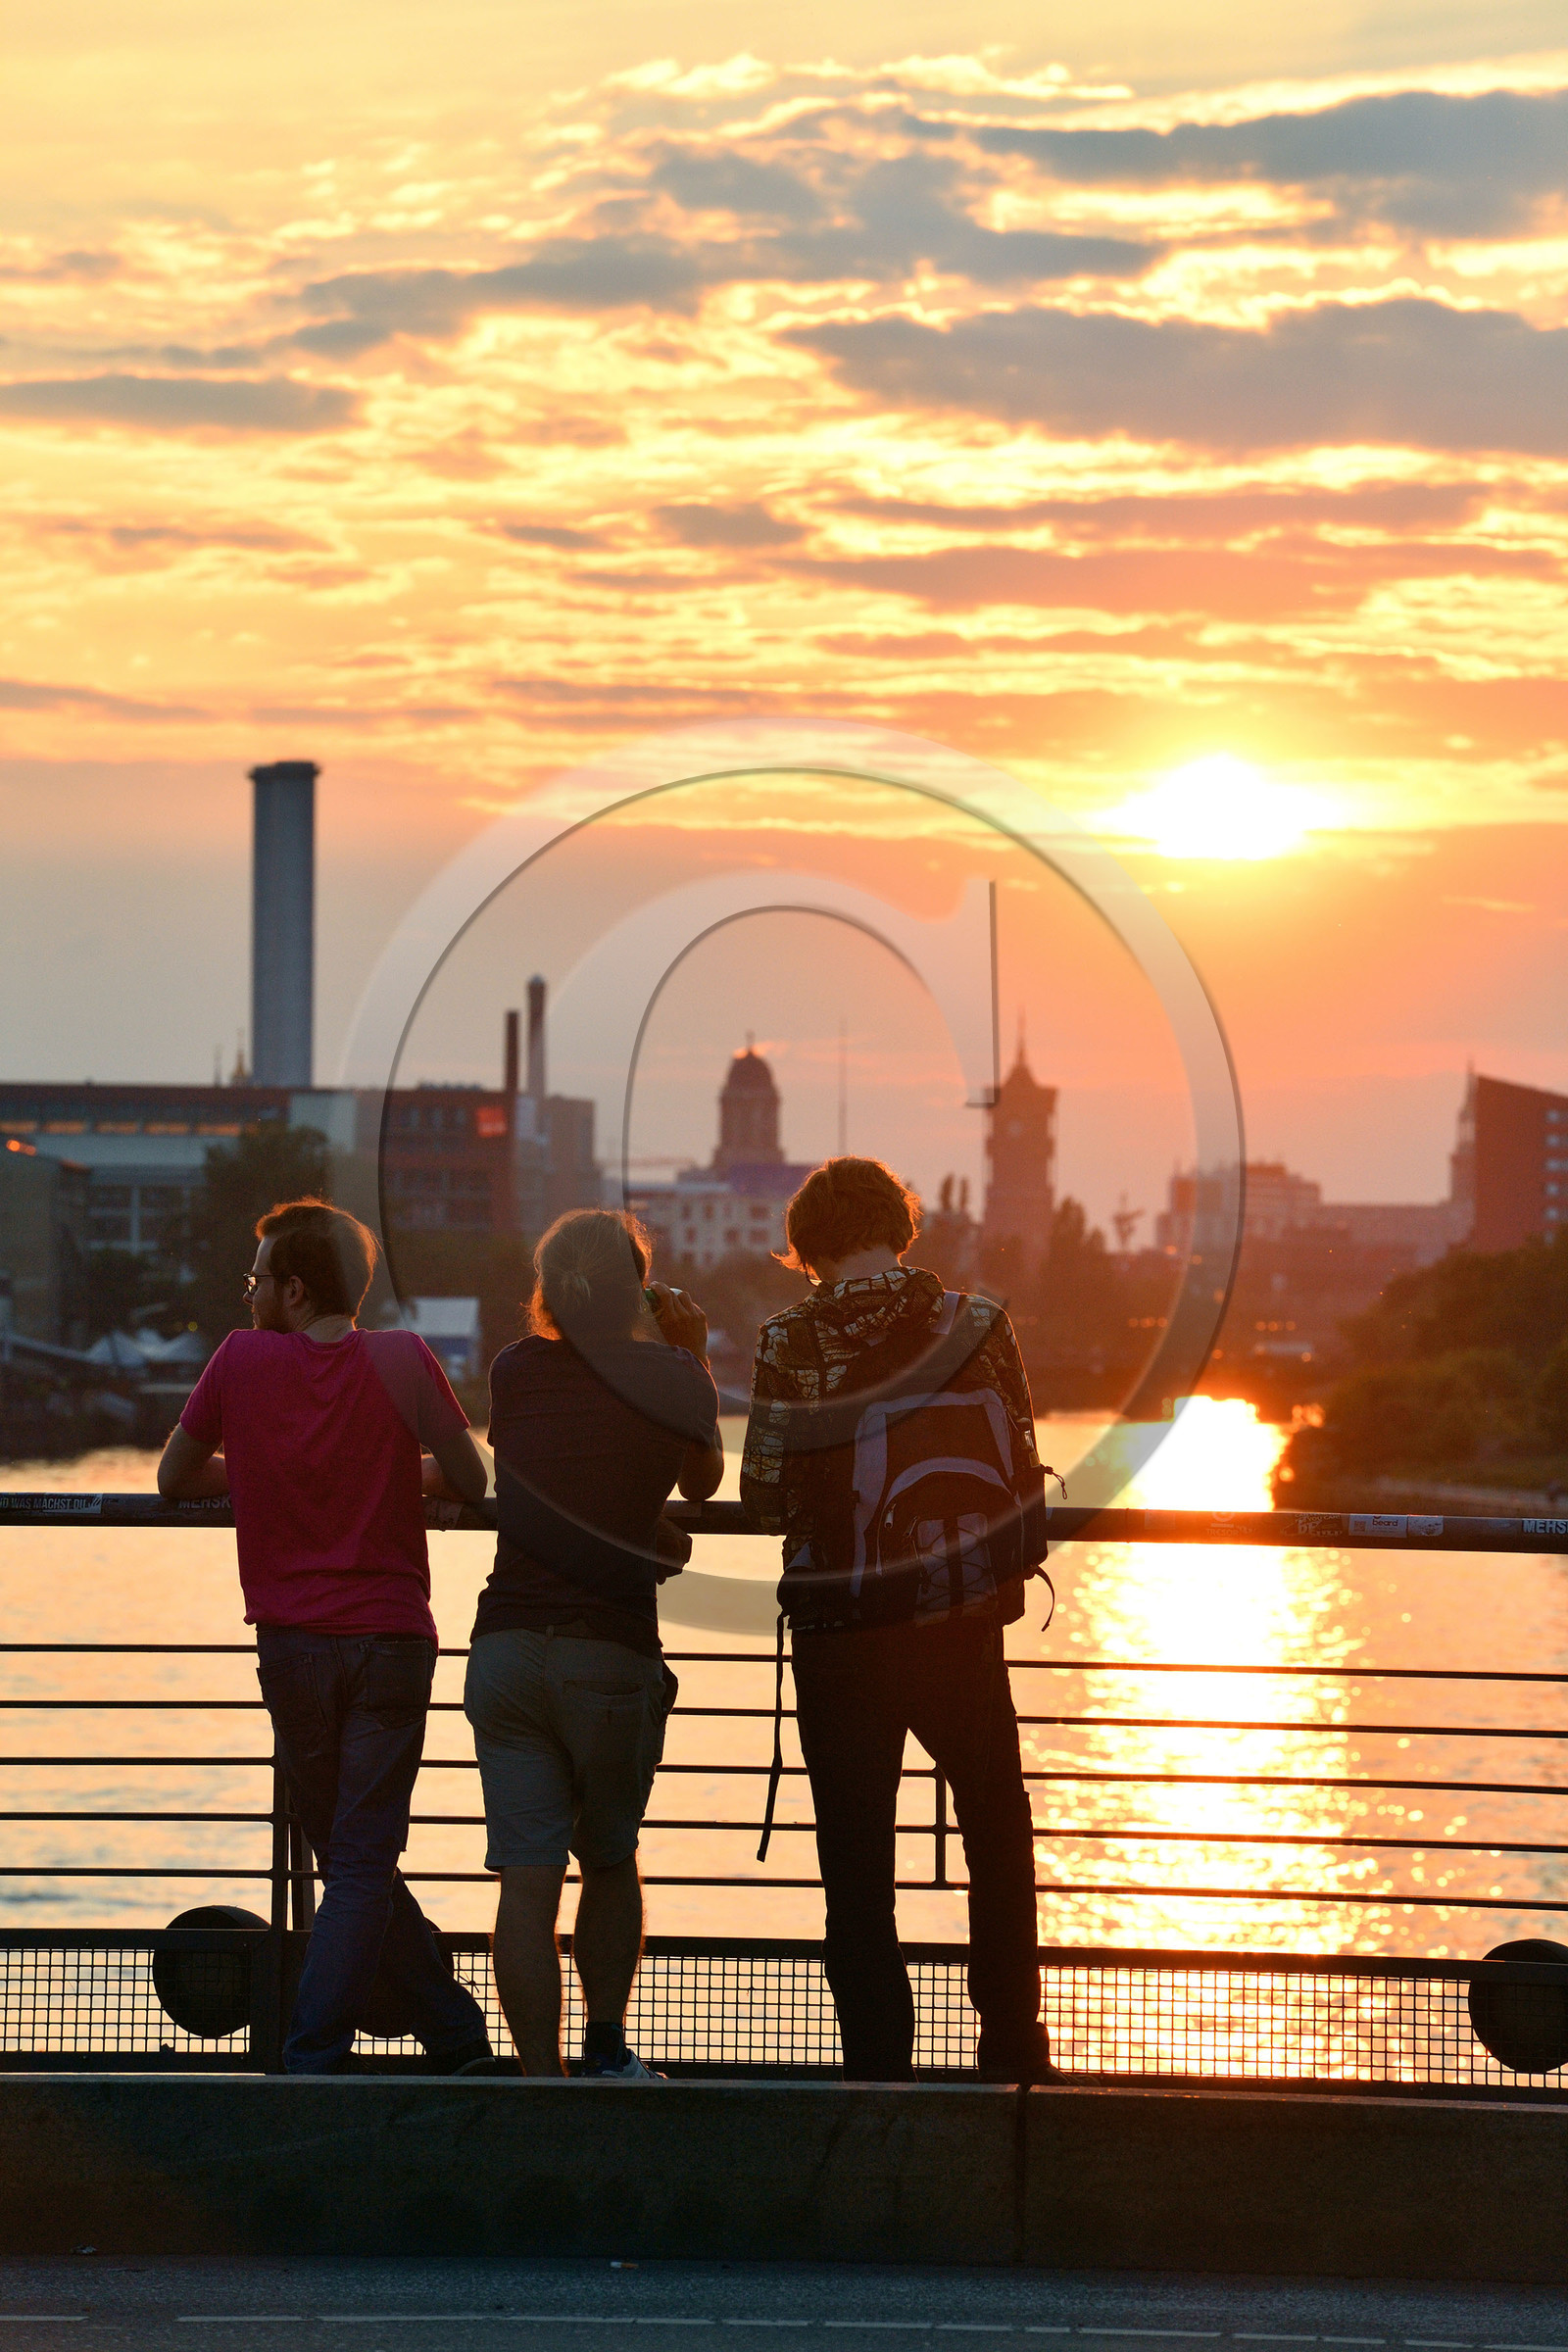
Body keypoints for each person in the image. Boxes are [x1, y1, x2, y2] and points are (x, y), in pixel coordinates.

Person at [157, 1196, 495, 2077]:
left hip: (292, 1645)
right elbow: (470, 1476)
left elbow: (173, 1476)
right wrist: (391, 1470)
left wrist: (266, 1471)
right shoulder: (404, 1358)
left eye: (258, 1280)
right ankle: (454, 2033)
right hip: (391, 1640)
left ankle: (311, 2060)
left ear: (296, 1290)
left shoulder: (240, 1360)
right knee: (358, 1859)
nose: (250, 1293)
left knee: (349, 1857)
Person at [740, 1155, 1054, 2085]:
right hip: (959, 1614)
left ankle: (879, 2068)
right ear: (898, 1226)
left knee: (856, 1859)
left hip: (841, 1629)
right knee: (997, 1834)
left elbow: (763, 1494)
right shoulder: (979, 1321)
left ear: (807, 1245)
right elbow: (1023, 1456)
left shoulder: (792, 1337)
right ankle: (1012, 2048)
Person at [466, 1208, 722, 2079]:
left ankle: (542, 2086)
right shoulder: (673, 1373)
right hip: (608, 1649)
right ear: (638, 1290)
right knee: (608, 1860)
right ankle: (606, 2056)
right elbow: (703, 1480)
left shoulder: (513, 1369)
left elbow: (551, 1471)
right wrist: (691, 1353)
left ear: (548, 1289)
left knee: (527, 1880)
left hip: (505, 1648)